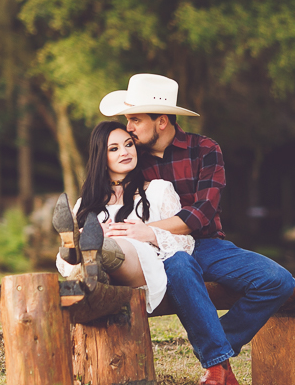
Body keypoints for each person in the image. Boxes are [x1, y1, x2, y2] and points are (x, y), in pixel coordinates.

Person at [97, 73, 295, 385]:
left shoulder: (205, 150)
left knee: (279, 281)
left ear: (161, 121)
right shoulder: (133, 158)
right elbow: (108, 189)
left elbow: (202, 214)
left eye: (135, 119)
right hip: (158, 252)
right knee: (178, 264)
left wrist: (149, 228)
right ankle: (217, 365)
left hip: (207, 244)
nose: (129, 127)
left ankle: (216, 351)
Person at [54, 121, 194, 314]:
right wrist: (82, 233)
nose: (125, 152)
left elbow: (187, 244)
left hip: (143, 270)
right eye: (114, 149)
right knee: (88, 271)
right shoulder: (86, 203)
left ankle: (95, 246)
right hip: (102, 279)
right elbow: (63, 263)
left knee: (114, 245)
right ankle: (85, 249)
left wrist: (150, 233)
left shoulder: (159, 190)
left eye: (129, 144)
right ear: (101, 158)